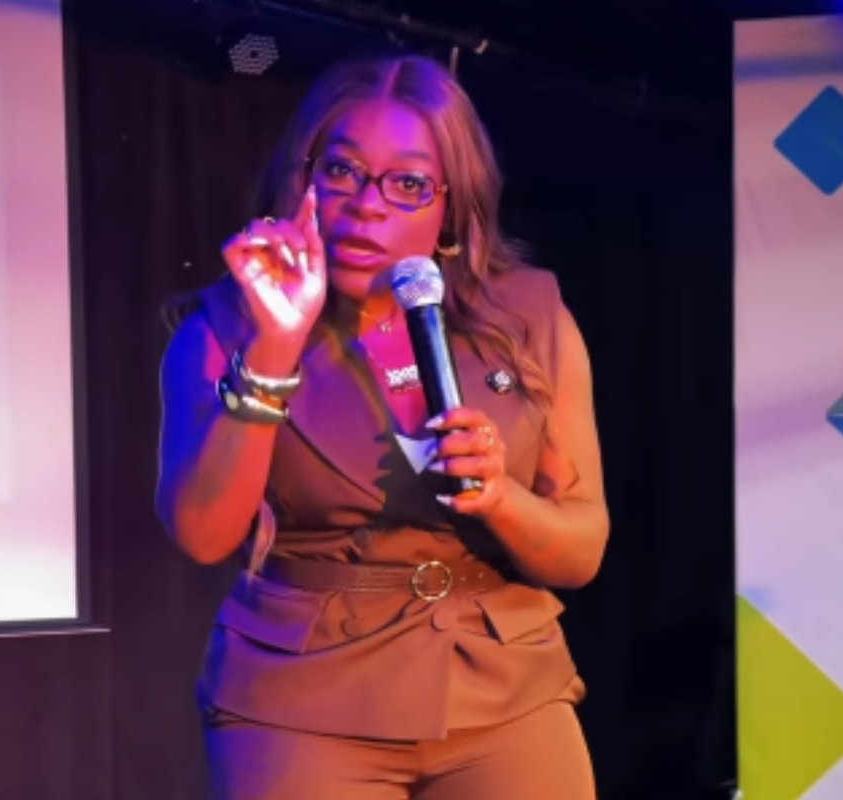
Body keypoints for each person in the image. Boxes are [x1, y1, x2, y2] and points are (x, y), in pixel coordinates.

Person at [155, 52, 610, 800]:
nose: (368, 205)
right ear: (301, 177)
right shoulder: (221, 331)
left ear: (450, 209)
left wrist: (500, 497)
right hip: (304, 698)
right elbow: (203, 536)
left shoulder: (528, 317)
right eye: (341, 171)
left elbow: (581, 549)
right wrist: (274, 346)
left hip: (505, 686)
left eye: (408, 184)